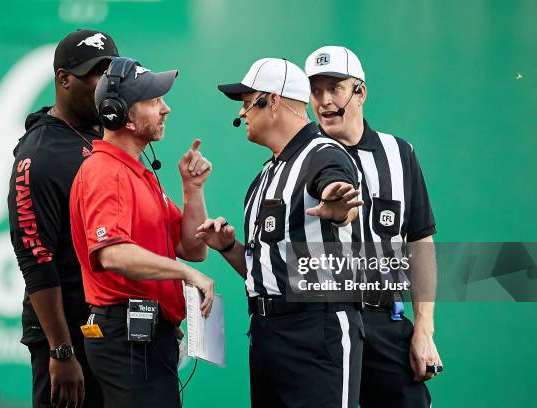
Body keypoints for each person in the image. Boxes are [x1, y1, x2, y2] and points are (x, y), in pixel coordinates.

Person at [197, 58, 364, 408]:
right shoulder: (266, 174)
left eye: (247, 104)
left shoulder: (322, 153)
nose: (243, 115)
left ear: (271, 101)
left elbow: (338, 188)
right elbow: (271, 271)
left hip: (316, 329)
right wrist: (229, 248)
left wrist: (340, 207)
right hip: (267, 331)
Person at [69, 56, 215, 408]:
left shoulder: (137, 172)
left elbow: (192, 247)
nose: (166, 109)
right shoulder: (105, 171)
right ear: (123, 116)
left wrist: (192, 189)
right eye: (153, 101)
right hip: (125, 337)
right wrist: (185, 273)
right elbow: (112, 252)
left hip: (144, 337)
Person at [304, 45, 443, 408]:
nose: (324, 101)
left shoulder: (399, 153)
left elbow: (419, 242)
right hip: (325, 323)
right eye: (316, 90)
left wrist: (423, 329)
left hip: (385, 321)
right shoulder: (299, 158)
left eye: (335, 88)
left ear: (360, 92)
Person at [8, 29, 119, 408]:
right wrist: (60, 351)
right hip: (68, 336)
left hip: (109, 328)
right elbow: (35, 259)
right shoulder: (38, 156)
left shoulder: (106, 133)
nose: (106, 83)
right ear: (63, 79)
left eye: (111, 72)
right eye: (95, 73)